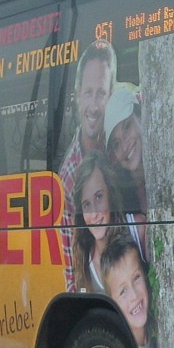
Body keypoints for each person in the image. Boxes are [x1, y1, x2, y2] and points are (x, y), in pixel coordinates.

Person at [58, 39, 117, 291]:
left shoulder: (124, 134)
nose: (94, 106)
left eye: (101, 93)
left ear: (111, 95)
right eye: (88, 93)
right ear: (77, 96)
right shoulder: (69, 177)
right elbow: (73, 270)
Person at [70, 150, 148, 293]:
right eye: (87, 205)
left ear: (110, 195)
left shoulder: (138, 229)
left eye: (99, 197)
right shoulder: (83, 254)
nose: (94, 214)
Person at [103, 81, 147, 215]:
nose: (124, 146)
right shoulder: (118, 198)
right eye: (116, 143)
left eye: (127, 127)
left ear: (140, 117)